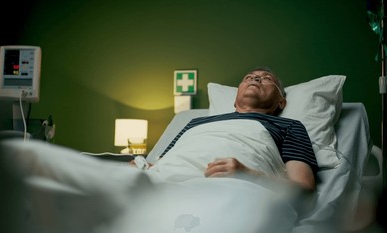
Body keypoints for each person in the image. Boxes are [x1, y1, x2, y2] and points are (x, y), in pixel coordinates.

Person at [135, 67, 318, 193]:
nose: (255, 79)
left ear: (281, 102)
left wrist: (248, 175)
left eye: (267, 79)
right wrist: (137, 168)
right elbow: (162, 164)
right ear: (235, 97)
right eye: (249, 77)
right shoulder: (195, 122)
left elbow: (303, 188)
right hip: (162, 183)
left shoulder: (290, 126)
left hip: (230, 188)